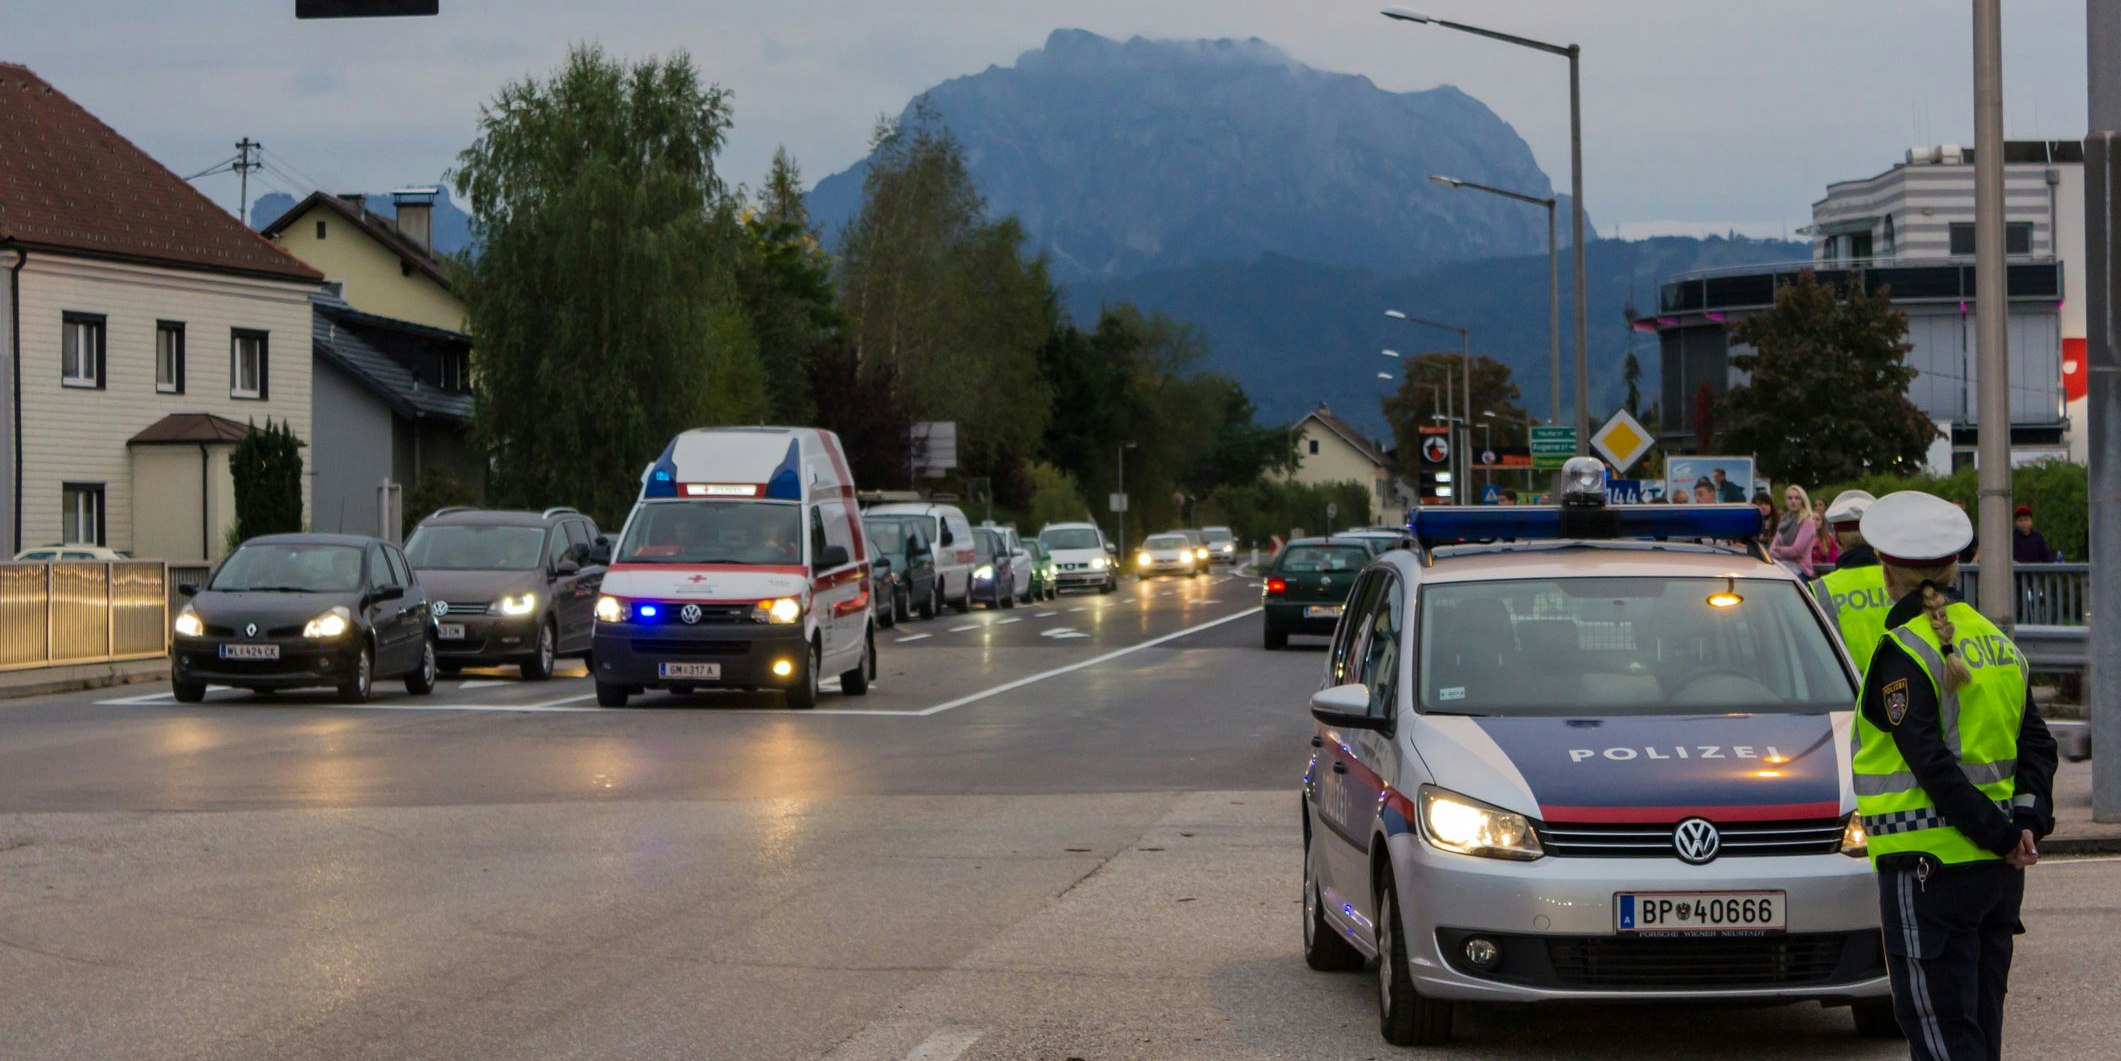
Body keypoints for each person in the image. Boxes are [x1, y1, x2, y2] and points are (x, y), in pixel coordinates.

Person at [1853, 491, 2057, 1061]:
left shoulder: (1902, 651)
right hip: (1997, 875)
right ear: (1956, 566)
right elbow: (2037, 745)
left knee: (1941, 1034)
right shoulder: (1996, 641)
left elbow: (1932, 766)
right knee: (1979, 1033)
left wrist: (2000, 834)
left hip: (1928, 872)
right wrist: (2025, 823)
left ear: (1885, 569)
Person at [1809, 490, 1887, 676]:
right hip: (1902, 688)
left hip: (1845, 689)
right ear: (1874, 534)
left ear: (1836, 537)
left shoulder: (1818, 589)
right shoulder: (1900, 581)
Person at [1769, 484, 1819, 577]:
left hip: (1800, 571)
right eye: (1790, 498)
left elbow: (1796, 550)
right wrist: (1789, 553)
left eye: (1797, 498)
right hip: (1781, 569)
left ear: (1802, 501)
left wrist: (1780, 550)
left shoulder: (1808, 522)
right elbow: (1771, 551)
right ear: (1786, 501)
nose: (1793, 501)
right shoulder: (1784, 520)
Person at [1812, 495, 1841, 569]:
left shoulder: (1831, 521)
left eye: (1820, 505)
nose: (1817, 507)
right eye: (1816, 505)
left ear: (1825, 507)